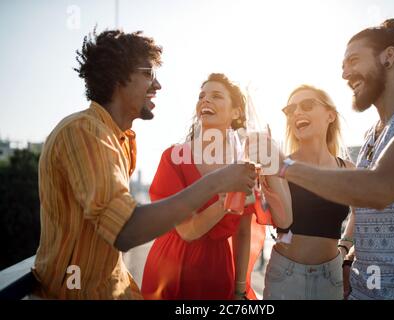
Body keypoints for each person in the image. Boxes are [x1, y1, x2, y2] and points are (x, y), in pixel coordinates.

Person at [32, 31, 256, 299]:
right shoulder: (84, 132)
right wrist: (219, 182)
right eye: (149, 74)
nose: (158, 85)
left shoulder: (119, 139)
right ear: (119, 78)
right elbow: (125, 230)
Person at [261, 18, 394, 299]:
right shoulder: (371, 136)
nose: (345, 74)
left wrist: (285, 167)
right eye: (343, 66)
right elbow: (363, 210)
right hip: (363, 291)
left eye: (353, 60)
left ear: (388, 57)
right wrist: (348, 253)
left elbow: (380, 188)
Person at [141, 73, 292, 300]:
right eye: (201, 96)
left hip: (218, 272)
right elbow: (188, 231)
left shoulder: (245, 165)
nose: (205, 100)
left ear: (236, 113)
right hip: (169, 269)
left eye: (216, 96)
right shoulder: (173, 157)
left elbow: (243, 231)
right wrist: (228, 197)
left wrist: (240, 288)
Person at [263, 85, 355, 300]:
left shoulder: (347, 169)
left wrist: (344, 247)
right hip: (285, 275)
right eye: (290, 109)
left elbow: (361, 212)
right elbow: (282, 221)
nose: (296, 112)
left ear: (330, 115)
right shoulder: (279, 166)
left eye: (307, 105)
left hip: (331, 276)